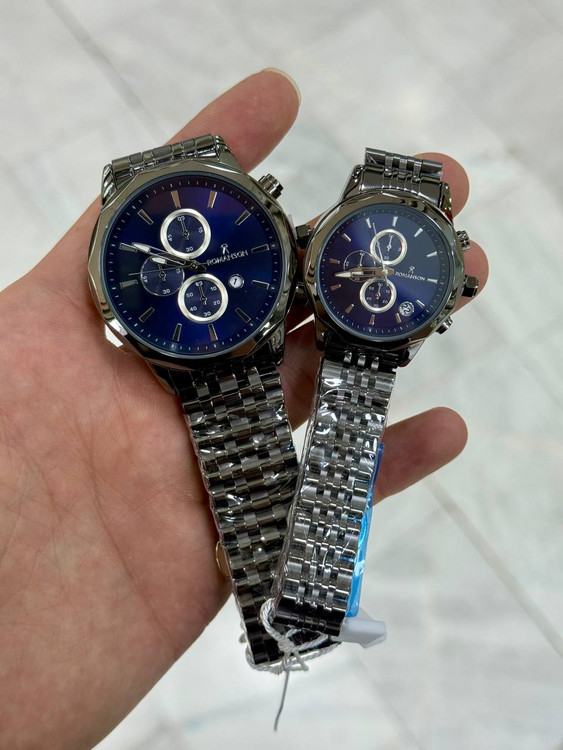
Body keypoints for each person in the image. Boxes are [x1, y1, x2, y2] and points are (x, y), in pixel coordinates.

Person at [0, 69, 488, 749]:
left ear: (285, 239)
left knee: (271, 497)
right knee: (259, 492)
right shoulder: (146, 276)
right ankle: (292, 621)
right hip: (199, 358)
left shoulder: (280, 257)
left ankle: (294, 620)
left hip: (240, 342)